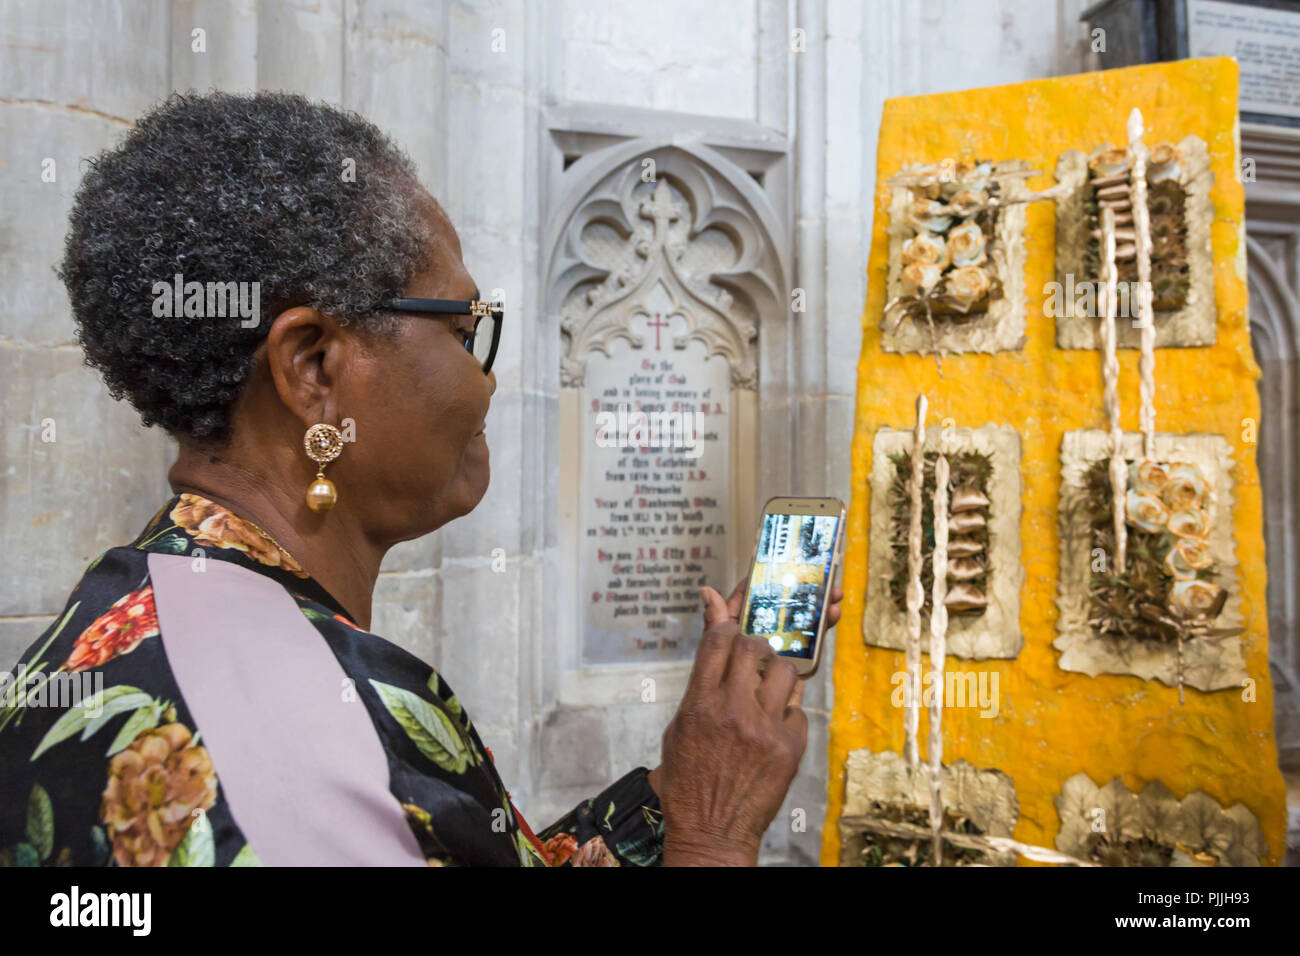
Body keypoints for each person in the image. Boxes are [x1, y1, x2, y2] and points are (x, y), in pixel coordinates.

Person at [0, 91, 839, 867]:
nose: (488, 381)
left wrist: (681, 788)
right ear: (315, 367)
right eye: (464, 326)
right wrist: (715, 832)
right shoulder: (300, 744)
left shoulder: (137, 603)